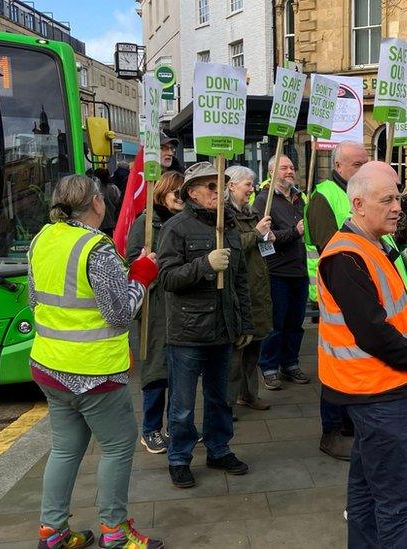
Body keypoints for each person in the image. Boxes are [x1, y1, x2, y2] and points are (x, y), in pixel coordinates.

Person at [29, 175, 163, 549]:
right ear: (98, 203)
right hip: (94, 371)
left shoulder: (41, 239)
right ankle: (115, 533)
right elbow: (120, 314)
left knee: (64, 448)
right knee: (118, 447)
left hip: (48, 366)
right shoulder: (96, 248)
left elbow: (34, 300)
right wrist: (140, 277)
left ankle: (52, 532)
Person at [317, 161, 407, 548]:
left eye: (398, 197)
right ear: (358, 203)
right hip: (373, 389)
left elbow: (398, 306)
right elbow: (372, 331)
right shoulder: (345, 255)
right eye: (386, 199)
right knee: (394, 501)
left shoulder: (376, 246)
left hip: (380, 385)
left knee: (368, 487)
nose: (397, 207)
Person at [159, 162, 254, 488]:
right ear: (191, 192)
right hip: (187, 332)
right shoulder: (176, 228)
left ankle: (218, 449)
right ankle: (179, 458)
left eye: (221, 185)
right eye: (211, 186)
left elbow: (240, 280)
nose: (219, 191)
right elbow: (167, 278)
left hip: (223, 329)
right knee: (183, 405)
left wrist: (244, 324)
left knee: (220, 398)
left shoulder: (228, 226)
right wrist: (204, 265)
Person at [303, 142, 368, 460]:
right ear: (339, 165)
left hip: (361, 291)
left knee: (354, 362)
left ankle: (350, 425)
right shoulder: (324, 196)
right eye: (358, 163)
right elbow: (328, 247)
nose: (363, 168)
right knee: (335, 362)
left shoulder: (360, 192)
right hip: (335, 293)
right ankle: (332, 431)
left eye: (366, 162)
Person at [127, 171, 184, 455]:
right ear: (162, 192)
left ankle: (176, 425)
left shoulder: (184, 223)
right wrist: (152, 267)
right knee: (156, 370)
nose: (180, 197)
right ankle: (150, 429)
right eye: (176, 192)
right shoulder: (146, 223)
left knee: (178, 370)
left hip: (179, 306)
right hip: (156, 306)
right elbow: (131, 265)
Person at [251, 155, 311, 390]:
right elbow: (265, 239)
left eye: (292, 167)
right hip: (276, 272)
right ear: (271, 172)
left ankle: (290, 363)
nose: (290, 171)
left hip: (299, 270)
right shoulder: (264, 201)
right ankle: (269, 367)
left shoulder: (298, 199)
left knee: (295, 323)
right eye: (284, 168)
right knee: (275, 323)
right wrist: (293, 232)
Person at [224, 165, 273, 415]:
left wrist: (266, 237)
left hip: (257, 289)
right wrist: (256, 234)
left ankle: (249, 394)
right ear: (232, 186)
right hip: (238, 291)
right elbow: (231, 248)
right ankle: (228, 403)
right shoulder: (224, 217)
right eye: (247, 185)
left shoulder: (251, 213)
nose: (252, 189)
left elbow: (256, 245)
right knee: (235, 354)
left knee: (254, 347)